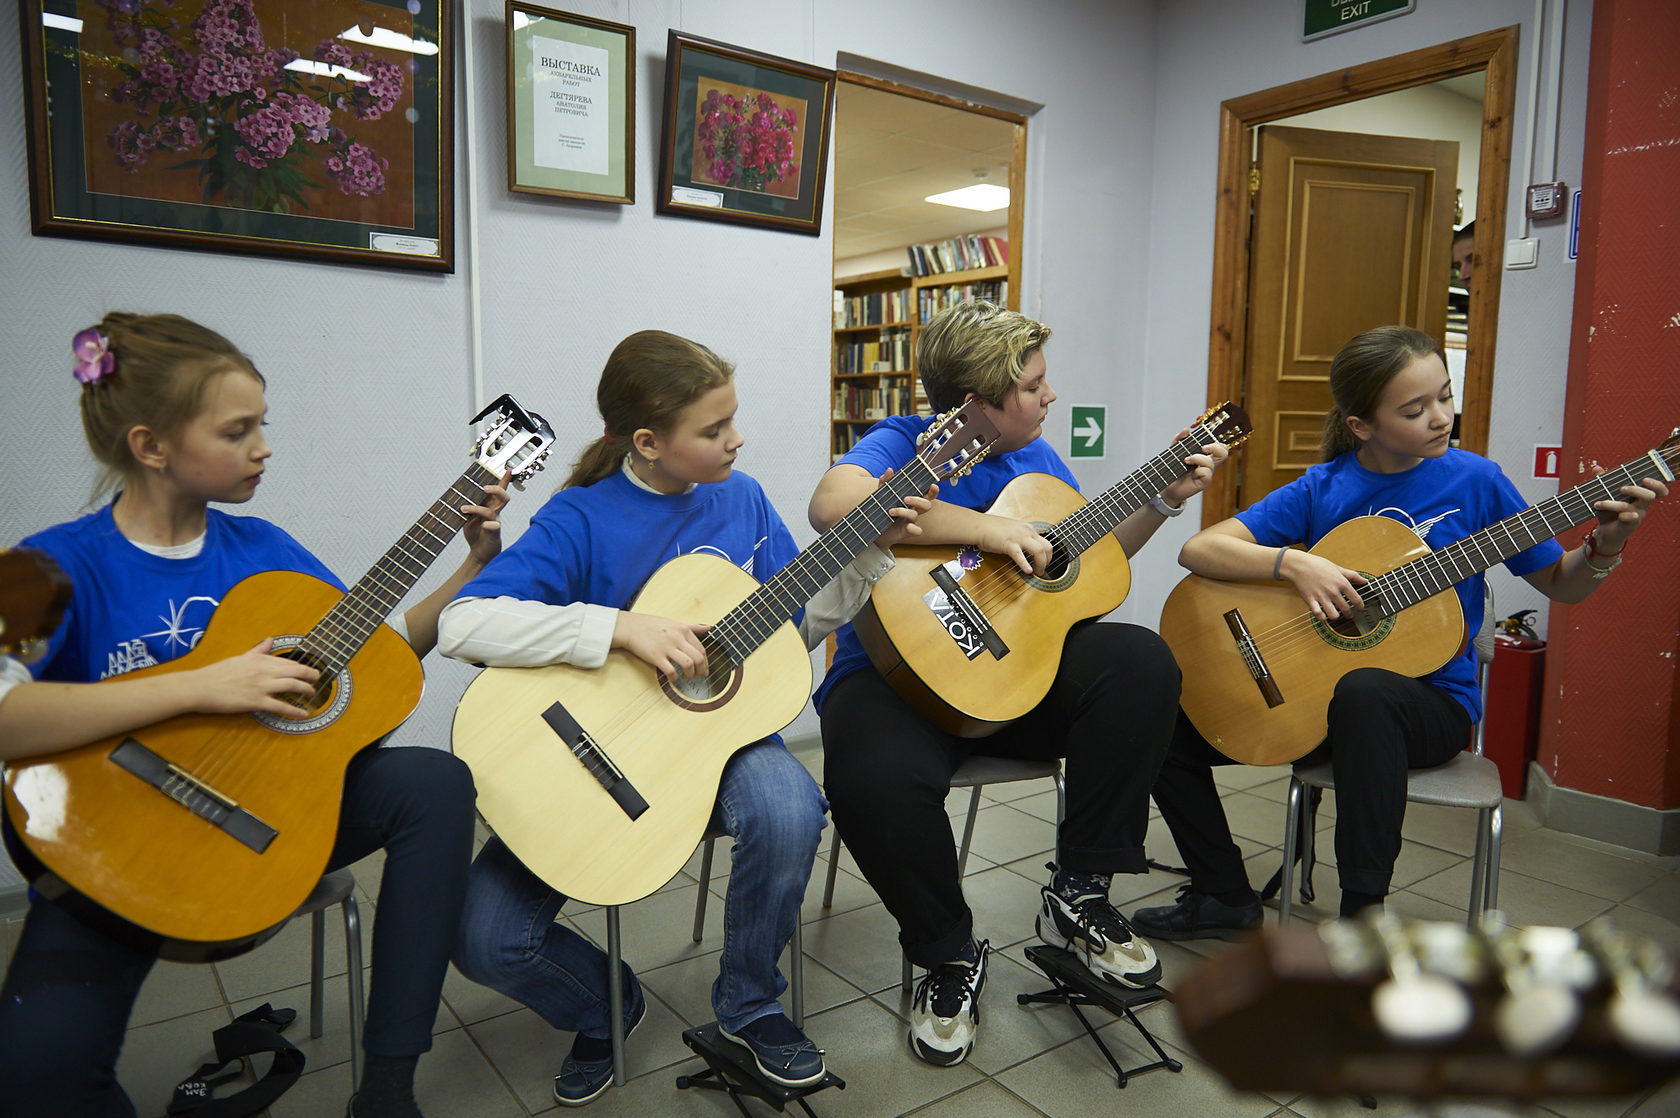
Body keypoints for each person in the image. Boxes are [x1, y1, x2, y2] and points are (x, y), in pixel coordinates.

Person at [0, 313, 509, 1118]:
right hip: (113, 843)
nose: (264, 447)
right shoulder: (49, 564)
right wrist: (201, 685)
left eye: (261, 425)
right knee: (34, 1076)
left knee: (434, 782)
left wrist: (471, 568)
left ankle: (387, 1093)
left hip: (268, 814)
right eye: (238, 431)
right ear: (151, 445)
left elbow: (368, 660)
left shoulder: (266, 547)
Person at [437, 329, 931, 1107]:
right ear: (648, 442)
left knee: (789, 804)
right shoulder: (580, 517)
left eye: (733, 420)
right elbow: (463, 624)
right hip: (595, 751)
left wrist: (870, 554)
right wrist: (619, 629)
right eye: (713, 429)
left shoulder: (744, 501)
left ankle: (749, 1006)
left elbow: (786, 631)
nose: (736, 439)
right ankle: (604, 1005)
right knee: (482, 938)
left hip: (720, 744)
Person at [1133, 324, 1669, 939]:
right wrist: (1296, 563)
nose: (1442, 417)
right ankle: (1222, 892)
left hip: (1431, 704)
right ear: (1362, 425)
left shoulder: (1478, 482)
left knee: (1366, 690)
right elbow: (1200, 550)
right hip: (1319, 703)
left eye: (1445, 395)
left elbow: (1562, 583)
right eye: (1416, 409)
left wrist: (1608, 543)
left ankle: (1363, 921)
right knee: (1158, 724)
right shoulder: (1324, 486)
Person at [807, 300, 1227, 1067]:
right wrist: (984, 528)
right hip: (899, 681)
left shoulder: (1037, 464)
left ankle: (1081, 890)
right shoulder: (905, 442)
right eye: (1033, 386)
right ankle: (949, 955)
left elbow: (1088, 556)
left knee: (1140, 661)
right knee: (870, 776)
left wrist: (1164, 499)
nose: (1049, 396)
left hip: (1015, 680)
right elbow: (831, 506)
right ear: (977, 404)